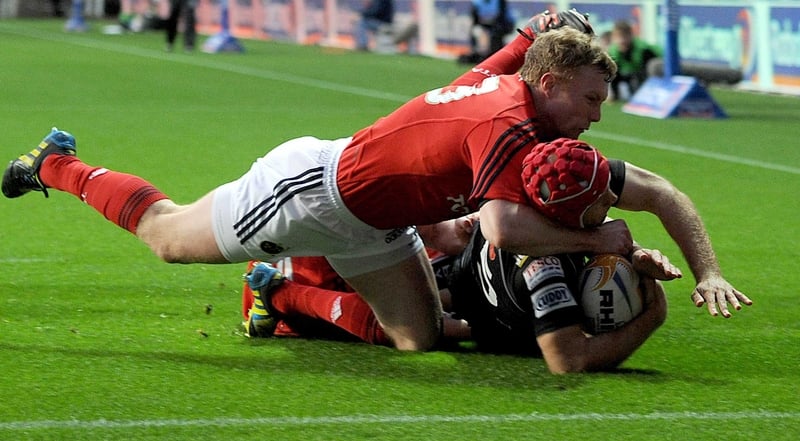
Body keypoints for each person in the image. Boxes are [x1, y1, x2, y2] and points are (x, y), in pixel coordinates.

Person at [1, 11, 745, 353]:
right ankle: (56, 165)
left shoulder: (515, 99)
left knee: (419, 340)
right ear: (548, 84)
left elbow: (657, 186)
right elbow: (499, 229)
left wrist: (708, 268)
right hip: (310, 191)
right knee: (166, 236)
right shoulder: (508, 125)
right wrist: (605, 236)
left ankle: (284, 287)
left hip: (374, 222)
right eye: (589, 100)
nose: (595, 117)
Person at [240, 141, 685, 373]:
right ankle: (280, 295)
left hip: (460, 275)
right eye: (602, 194)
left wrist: (635, 264)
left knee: (425, 301)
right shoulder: (542, 263)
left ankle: (284, 291)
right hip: (468, 301)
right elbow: (567, 361)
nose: (613, 197)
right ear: (574, 211)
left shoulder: (528, 202)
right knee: (417, 331)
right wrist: (653, 314)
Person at [606, 20, 662, 101]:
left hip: (646, 72)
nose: (622, 40)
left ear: (630, 35)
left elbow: (651, 70)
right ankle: (615, 97)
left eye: (624, 36)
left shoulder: (643, 49)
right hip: (629, 73)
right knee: (614, 74)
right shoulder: (612, 50)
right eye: (618, 37)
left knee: (639, 78)